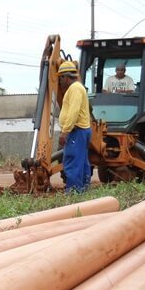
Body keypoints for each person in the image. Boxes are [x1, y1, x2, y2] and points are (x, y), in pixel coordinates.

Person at [57, 60, 92, 193]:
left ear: (66, 76)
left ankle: (74, 191)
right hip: (81, 131)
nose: (60, 81)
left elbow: (74, 111)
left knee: (72, 161)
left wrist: (65, 132)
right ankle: (83, 189)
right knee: (81, 161)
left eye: (61, 77)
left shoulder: (75, 89)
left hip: (76, 131)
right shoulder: (77, 88)